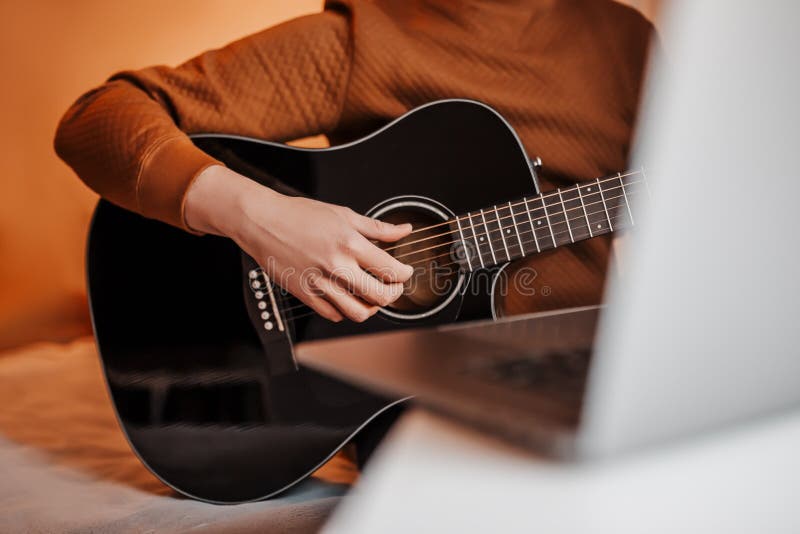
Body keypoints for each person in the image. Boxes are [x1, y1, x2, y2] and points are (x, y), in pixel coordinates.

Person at [55, 0, 654, 463]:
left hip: (602, 377)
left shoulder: (628, 42)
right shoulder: (365, 38)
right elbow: (97, 120)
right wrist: (262, 219)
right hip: (434, 395)